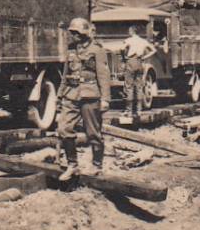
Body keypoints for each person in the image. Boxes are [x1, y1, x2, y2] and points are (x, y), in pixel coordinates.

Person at [57, 17, 111, 180]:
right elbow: (65, 73)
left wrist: (105, 99)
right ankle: (72, 165)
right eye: (73, 33)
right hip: (71, 93)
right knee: (64, 128)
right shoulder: (71, 49)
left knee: (93, 133)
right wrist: (59, 95)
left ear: (86, 33)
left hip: (90, 94)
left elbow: (103, 75)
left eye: (78, 32)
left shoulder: (97, 50)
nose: (75, 36)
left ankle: (97, 165)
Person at [121, 25, 157, 116]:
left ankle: (129, 110)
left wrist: (124, 57)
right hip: (140, 62)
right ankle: (139, 110)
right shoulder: (143, 41)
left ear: (132, 31)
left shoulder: (129, 40)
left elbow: (122, 49)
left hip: (130, 61)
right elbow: (153, 50)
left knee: (129, 86)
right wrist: (144, 57)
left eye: (129, 31)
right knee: (139, 87)